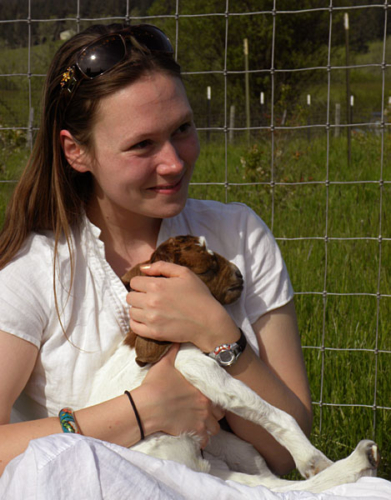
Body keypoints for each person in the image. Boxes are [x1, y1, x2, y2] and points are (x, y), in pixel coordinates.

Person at [0, 23, 312, 482]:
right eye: (142, 144)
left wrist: (216, 332)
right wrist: (142, 411)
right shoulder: (33, 271)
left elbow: (290, 452)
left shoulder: (238, 233)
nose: (174, 161)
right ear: (76, 151)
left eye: (182, 128)